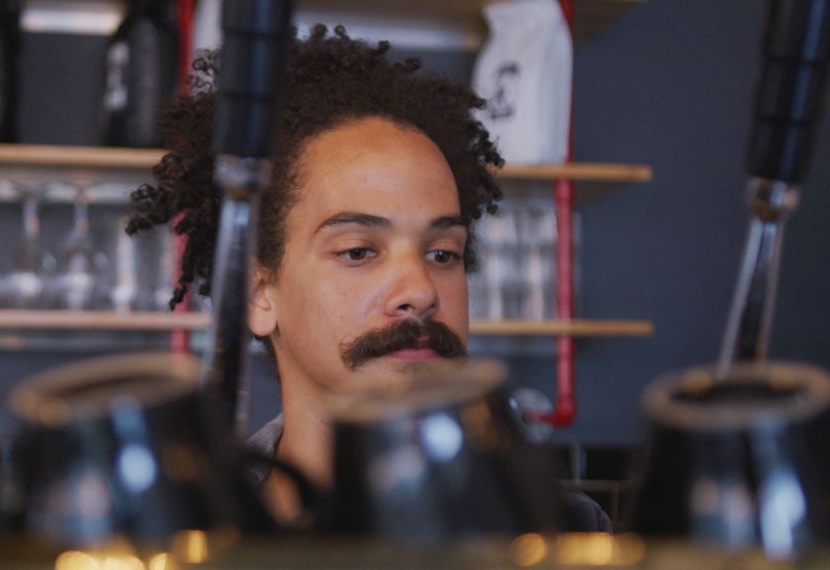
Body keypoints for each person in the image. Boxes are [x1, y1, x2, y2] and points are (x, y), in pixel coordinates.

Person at [128, 24, 610, 532]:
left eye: (443, 254)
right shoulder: (191, 535)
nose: (421, 291)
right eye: (359, 251)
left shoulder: (562, 533)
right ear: (258, 293)